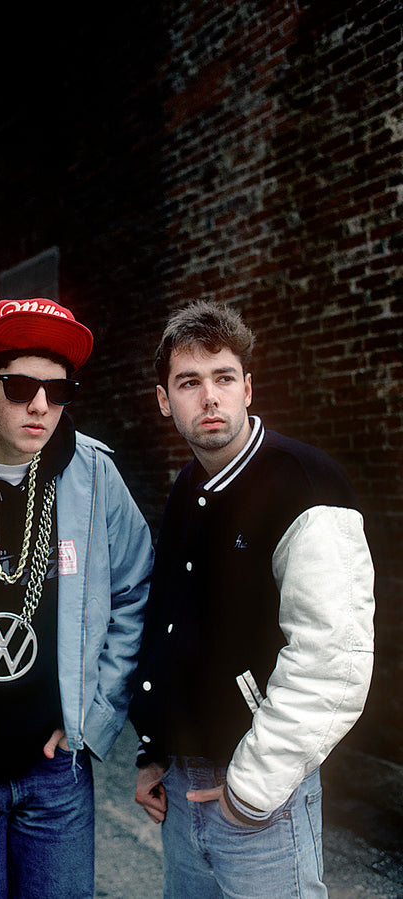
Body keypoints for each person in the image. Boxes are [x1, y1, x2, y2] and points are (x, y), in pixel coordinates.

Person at [130, 300, 375, 898]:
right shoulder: (190, 485)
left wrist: (251, 793)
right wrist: (155, 749)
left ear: (247, 387)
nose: (209, 397)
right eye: (189, 382)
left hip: (263, 798)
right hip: (183, 791)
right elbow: (170, 626)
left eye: (223, 378)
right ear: (166, 400)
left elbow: (332, 662)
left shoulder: (305, 483)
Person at [0, 297, 153, 898]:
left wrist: (95, 718)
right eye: (21, 386)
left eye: (59, 390)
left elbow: (135, 590)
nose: (41, 406)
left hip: (56, 776)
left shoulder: (94, 475)